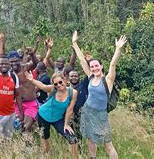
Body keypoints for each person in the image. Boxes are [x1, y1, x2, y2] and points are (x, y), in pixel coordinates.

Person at [72, 30, 127, 159]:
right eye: (92, 67)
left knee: (107, 144)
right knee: (90, 138)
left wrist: (118, 49)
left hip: (100, 115)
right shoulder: (91, 77)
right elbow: (81, 59)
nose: (94, 68)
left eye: (96, 66)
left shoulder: (107, 80)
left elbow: (113, 64)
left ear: (101, 66)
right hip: (87, 111)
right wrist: (74, 43)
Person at [26, 72, 79, 157]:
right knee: (45, 137)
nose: (58, 85)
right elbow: (42, 86)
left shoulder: (73, 92)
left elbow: (70, 109)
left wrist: (66, 124)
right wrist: (32, 80)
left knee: (72, 139)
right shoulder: (53, 89)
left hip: (57, 119)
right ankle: (46, 155)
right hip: (43, 116)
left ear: (65, 80)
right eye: (56, 84)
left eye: (60, 82)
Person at [8, 47, 38, 133]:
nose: (13, 63)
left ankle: (29, 146)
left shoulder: (25, 67)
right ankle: (24, 144)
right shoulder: (8, 73)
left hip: (30, 104)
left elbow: (35, 63)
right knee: (19, 127)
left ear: (19, 60)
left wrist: (32, 54)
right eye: (11, 61)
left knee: (26, 126)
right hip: (17, 105)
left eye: (15, 61)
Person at [69, 70, 89, 142]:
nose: (74, 78)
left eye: (76, 76)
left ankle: (80, 150)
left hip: (81, 114)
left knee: (79, 133)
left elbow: (89, 74)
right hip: (70, 115)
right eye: (71, 76)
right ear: (68, 77)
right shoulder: (66, 89)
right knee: (70, 133)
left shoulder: (83, 85)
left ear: (79, 77)